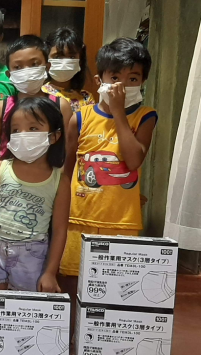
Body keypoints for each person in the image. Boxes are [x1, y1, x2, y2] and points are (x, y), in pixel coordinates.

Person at [59, 38, 157, 279]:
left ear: (142, 82)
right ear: (98, 81)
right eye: (114, 78)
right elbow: (67, 170)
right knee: (72, 278)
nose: (122, 86)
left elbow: (133, 161)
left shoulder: (145, 116)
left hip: (121, 221)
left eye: (132, 79)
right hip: (78, 218)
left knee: (115, 285)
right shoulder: (80, 117)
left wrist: (118, 112)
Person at [0, 97, 70, 292]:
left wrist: (50, 272)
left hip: (33, 256)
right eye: (16, 130)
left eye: (33, 128)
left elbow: (59, 230)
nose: (23, 135)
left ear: (54, 136)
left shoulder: (60, 180)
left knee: (24, 306)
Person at [0, 35, 72, 169]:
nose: (26, 71)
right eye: (18, 67)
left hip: (51, 178)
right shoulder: (0, 108)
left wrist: (60, 177)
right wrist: (0, 175)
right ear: (9, 75)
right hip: (8, 179)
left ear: (47, 67)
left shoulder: (61, 106)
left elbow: (69, 150)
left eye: (34, 64)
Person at [42, 27, 95, 112]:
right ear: (46, 60)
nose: (64, 62)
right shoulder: (40, 94)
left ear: (80, 61)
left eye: (72, 57)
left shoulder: (86, 98)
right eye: (57, 57)